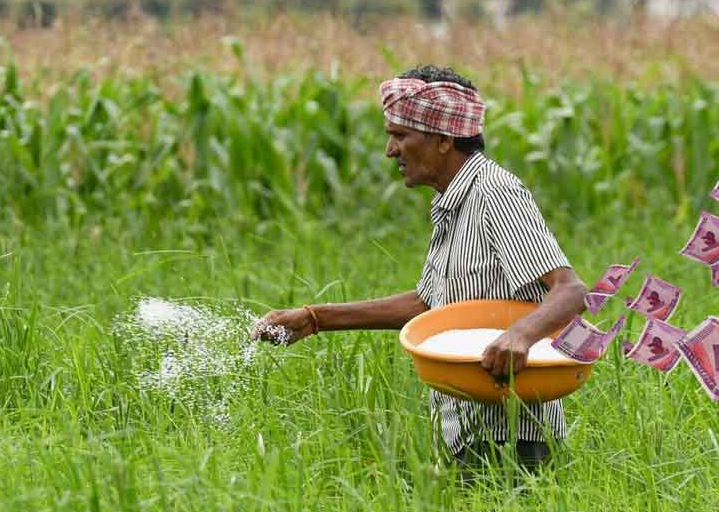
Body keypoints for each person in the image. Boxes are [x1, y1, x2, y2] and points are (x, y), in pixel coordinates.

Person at [251, 65, 589, 474]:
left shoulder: (495, 194)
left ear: (444, 140)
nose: (390, 151)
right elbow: (428, 305)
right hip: (468, 430)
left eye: (400, 136)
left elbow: (570, 291)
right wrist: (314, 319)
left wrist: (520, 335)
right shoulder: (452, 203)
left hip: (513, 435)